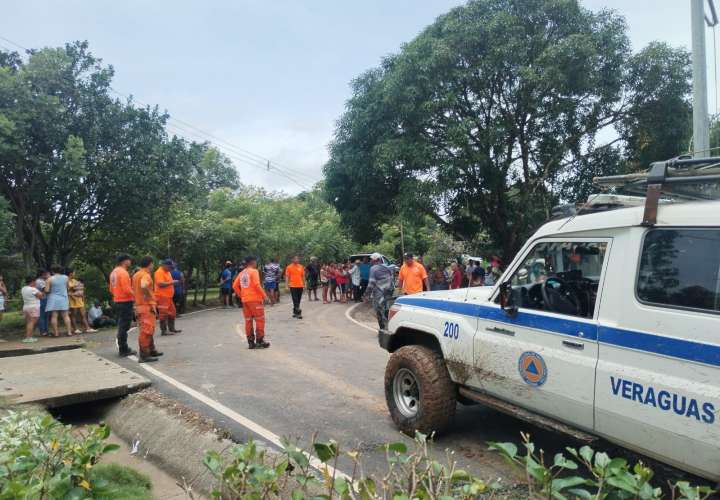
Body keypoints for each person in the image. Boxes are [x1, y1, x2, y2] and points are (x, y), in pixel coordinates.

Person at [132, 256, 162, 362]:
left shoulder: (136, 275)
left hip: (139, 306)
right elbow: (144, 286)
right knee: (146, 331)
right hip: (146, 306)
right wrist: (149, 296)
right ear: (150, 264)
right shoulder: (146, 275)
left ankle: (150, 350)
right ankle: (144, 355)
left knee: (149, 330)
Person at [238, 256, 270, 349]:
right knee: (260, 319)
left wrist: (242, 296)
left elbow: (235, 286)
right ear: (252, 262)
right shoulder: (254, 271)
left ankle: (251, 342)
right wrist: (265, 296)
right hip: (255, 300)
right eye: (256, 262)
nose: (256, 264)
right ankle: (260, 341)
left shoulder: (242, 273)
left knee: (248, 321)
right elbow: (257, 285)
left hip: (245, 301)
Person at [109, 254, 136, 357]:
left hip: (117, 300)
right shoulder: (123, 273)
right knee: (124, 326)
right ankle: (123, 349)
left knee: (122, 324)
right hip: (125, 301)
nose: (130, 262)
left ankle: (123, 347)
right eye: (129, 260)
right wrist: (136, 296)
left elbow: (111, 289)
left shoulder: (113, 272)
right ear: (125, 261)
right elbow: (127, 289)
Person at [364, 253, 395, 332]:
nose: (370, 261)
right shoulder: (387, 267)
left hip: (379, 293)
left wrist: (366, 295)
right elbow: (391, 279)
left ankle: (382, 329)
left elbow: (371, 283)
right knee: (387, 310)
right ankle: (390, 327)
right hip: (388, 293)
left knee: (379, 311)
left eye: (371, 259)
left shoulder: (373, 268)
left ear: (375, 260)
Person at [43, 266, 74, 337]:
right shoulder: (66, 277)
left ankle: (56, 333)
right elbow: (68, 287)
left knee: (54, 316)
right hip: (63, 298)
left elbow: (47, 290)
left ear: (53, 271)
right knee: (66, 316)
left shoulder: (49, 279)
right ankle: (69, 332)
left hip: (53, 299)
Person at [155, 259, 182, 335]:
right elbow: (160, 284)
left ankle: (172, 329)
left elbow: (167, 282)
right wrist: (172, 282)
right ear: (165, 265)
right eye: (170, 267)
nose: (171, 269)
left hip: (168, 297)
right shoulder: (159, 272)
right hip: (162, 297)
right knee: (163, 314)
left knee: (172, 312)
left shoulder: (167, 272)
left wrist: (173, 283)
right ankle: (164, 331)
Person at [21, 275, 43, 343]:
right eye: (35, 282)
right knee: (32, 322)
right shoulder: (33, 289)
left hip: (26, 307)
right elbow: (41, 296)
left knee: (29, 322)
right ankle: (29, 337)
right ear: (32, 281)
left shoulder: (23, 288)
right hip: (33, 307)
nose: (36, 283)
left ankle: (29, 336)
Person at [35, 270, 50, 336]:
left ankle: (46, 330)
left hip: (45, 299)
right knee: (42, 316)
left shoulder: (43, 281)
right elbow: (46, 290)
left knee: (46, 316)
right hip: (42, 300)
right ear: (43, 274)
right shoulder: (39, 281)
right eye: (47, 274)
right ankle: (42, 331)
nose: (48, 275)